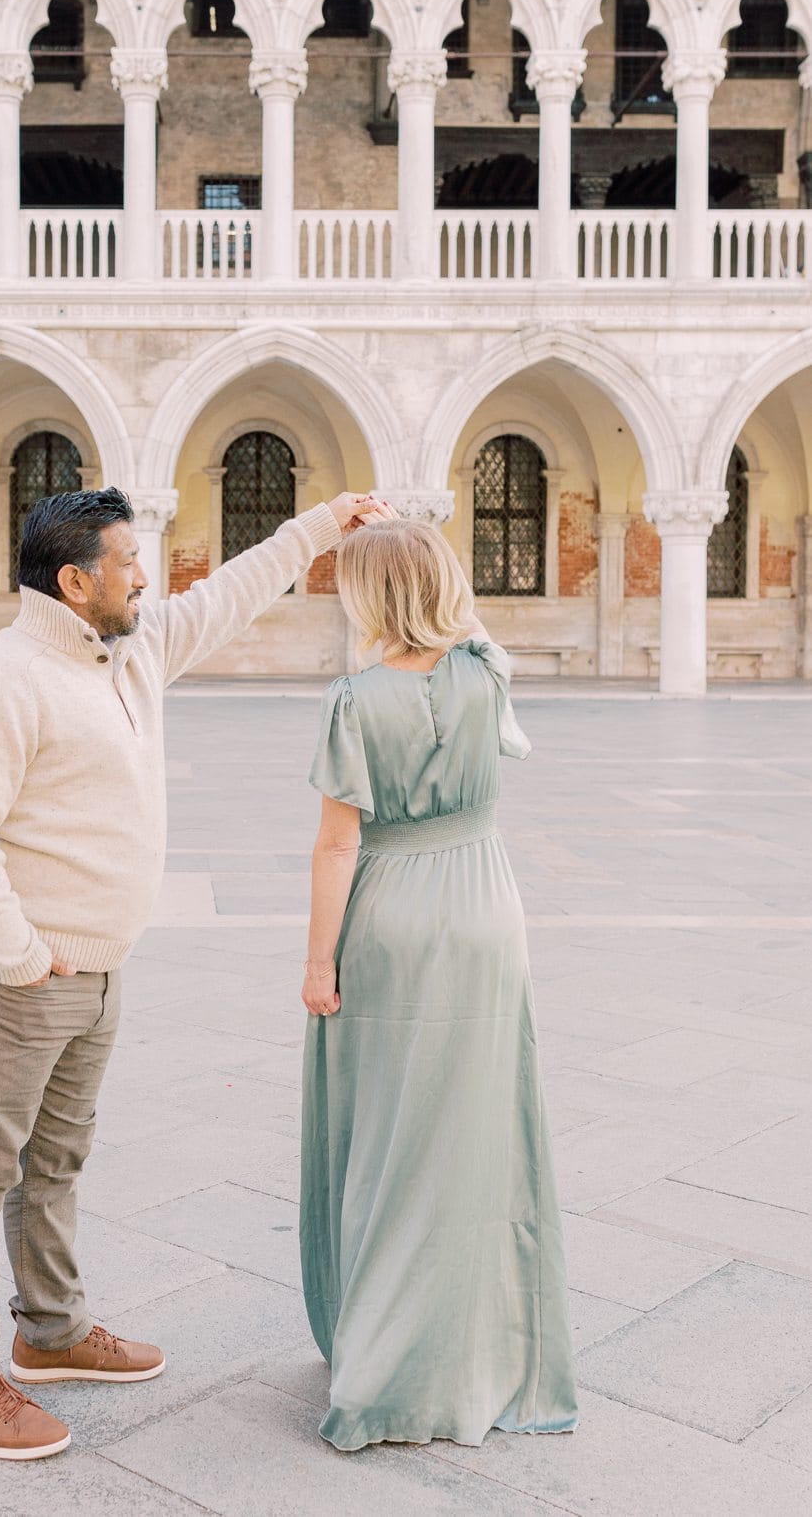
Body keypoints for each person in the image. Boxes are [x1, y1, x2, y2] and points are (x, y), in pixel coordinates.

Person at [0, 482, 375, 1461]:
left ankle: (50, 1331)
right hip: (13, 979)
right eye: (129, 563)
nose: (147, 577)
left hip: (98, 969)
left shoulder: (132, 649)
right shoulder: (5, 680)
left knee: (57, 1162)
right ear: (77, 581)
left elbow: (234, 592)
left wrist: (323, 524)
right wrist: (21, 952)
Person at [299, 514, 578, 1451]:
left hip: (391, 918)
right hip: (486, 917)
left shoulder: (352, 698)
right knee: (482, 1137)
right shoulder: (486, 675)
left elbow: (339, 842)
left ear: (367, 595)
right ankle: (479, 1352)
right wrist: (433, 577)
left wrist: (317, 959)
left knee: (387, 1139)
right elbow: (479, 639)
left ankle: (381, 1362)